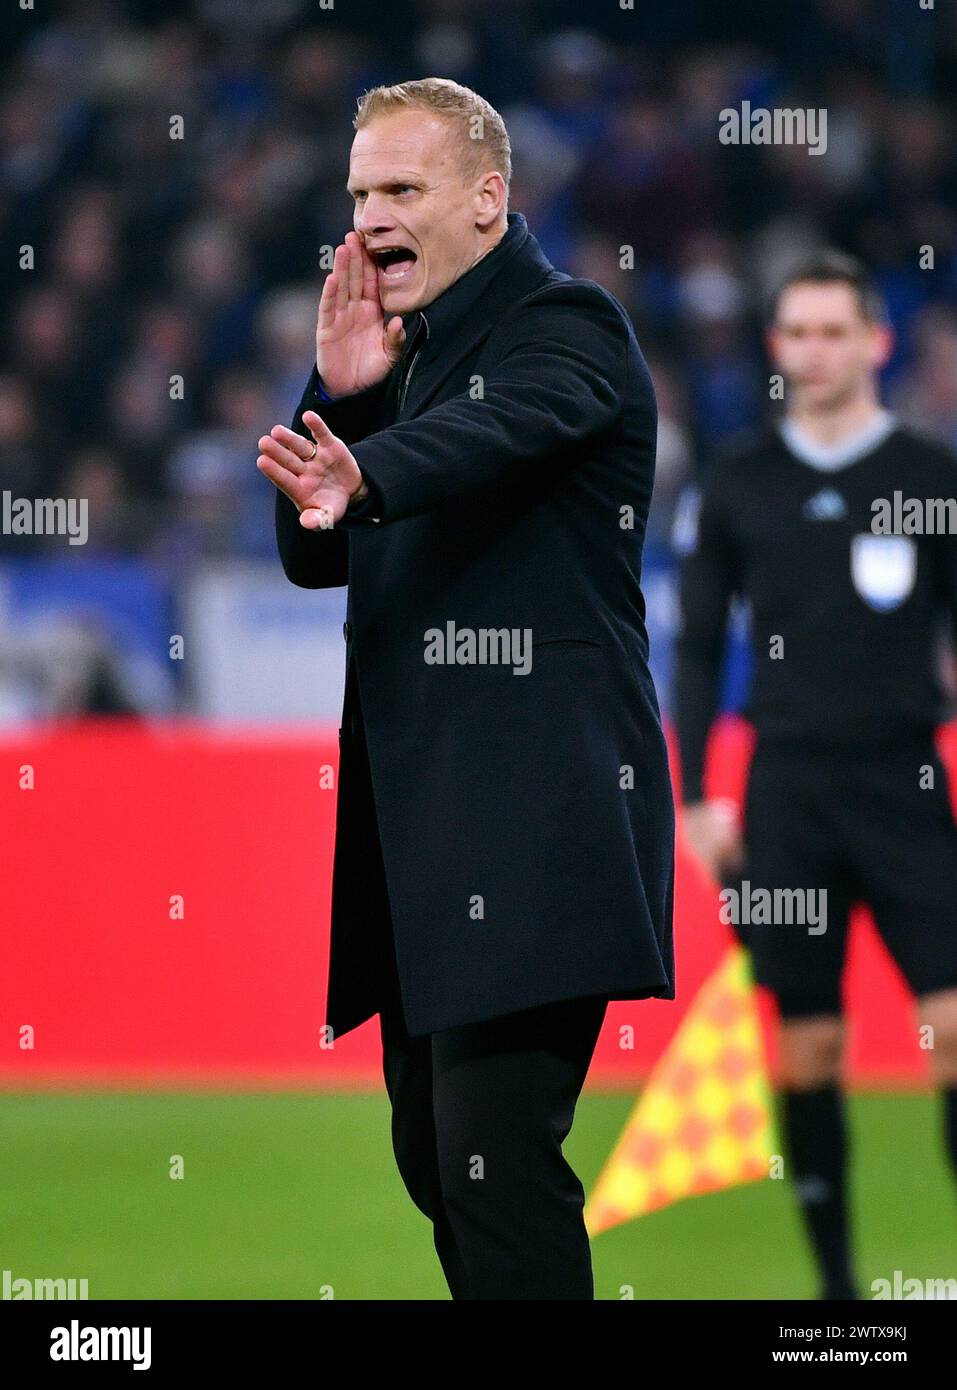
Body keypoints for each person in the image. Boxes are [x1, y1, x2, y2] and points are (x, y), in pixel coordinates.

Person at [256, 78, 675, 1300]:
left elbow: (484, 436)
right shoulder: (406, 360)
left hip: (543, 819)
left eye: (401, 189)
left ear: (488, 200)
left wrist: (371, 456)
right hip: (428, 837)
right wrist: (345, 390)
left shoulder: (568, 326)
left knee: (493, 1156)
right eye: (358, 193)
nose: (370, 216)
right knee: (439, 1159)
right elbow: (312, 548)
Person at [675, 251, 957, 1301]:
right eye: (797, 332)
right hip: (787, 792)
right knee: (808, 1044)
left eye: (836, 330)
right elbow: (698, 647)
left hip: (906, 788)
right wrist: (697, 792)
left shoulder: (932, 480)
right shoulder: (742, 482)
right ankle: (837, 1292)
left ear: (876, 343)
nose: (816, 349)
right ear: (776, 347)